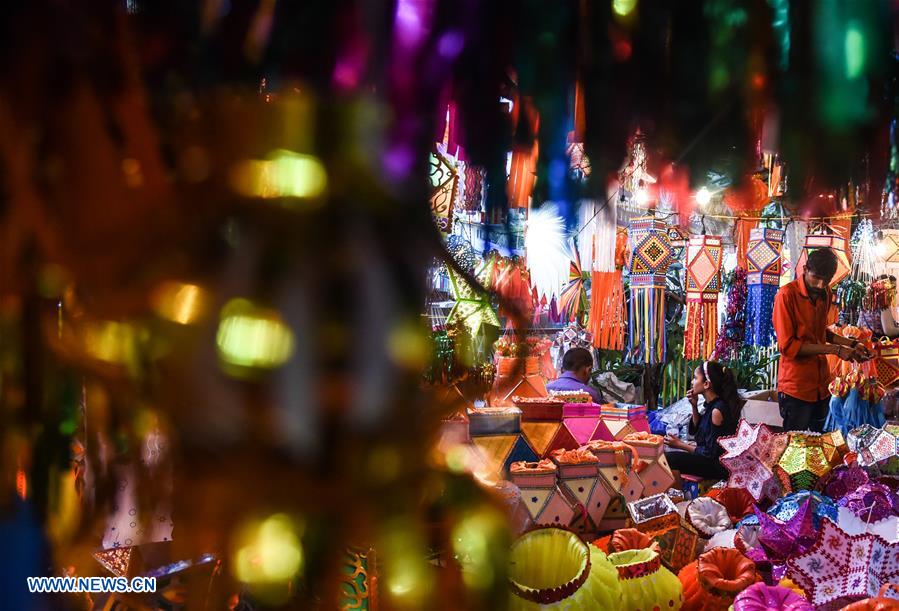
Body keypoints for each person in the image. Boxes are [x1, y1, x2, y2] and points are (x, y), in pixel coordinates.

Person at [773, 247, 873, 432]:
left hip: (821, 385)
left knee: (820, 444)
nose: (820, 285)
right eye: (816, 277)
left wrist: (851, 344)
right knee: (795, 449)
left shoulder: (825, 293)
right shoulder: (786, 295)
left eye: (826, 280)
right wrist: (835, 350)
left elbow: (820, 333)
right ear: (805, 270)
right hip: (796, 387)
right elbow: (788, 346)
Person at [664, 361, 740, 480]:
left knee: (669, 459)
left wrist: (681, 445)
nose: (692, 382)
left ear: (706, 384)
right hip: (708, 459)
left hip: (717, 466)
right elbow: (696, 431)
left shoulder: (717, 411)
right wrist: (694, 406)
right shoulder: (710, 405)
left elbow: (710, 453)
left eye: (695, 378)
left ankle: (676, 495)